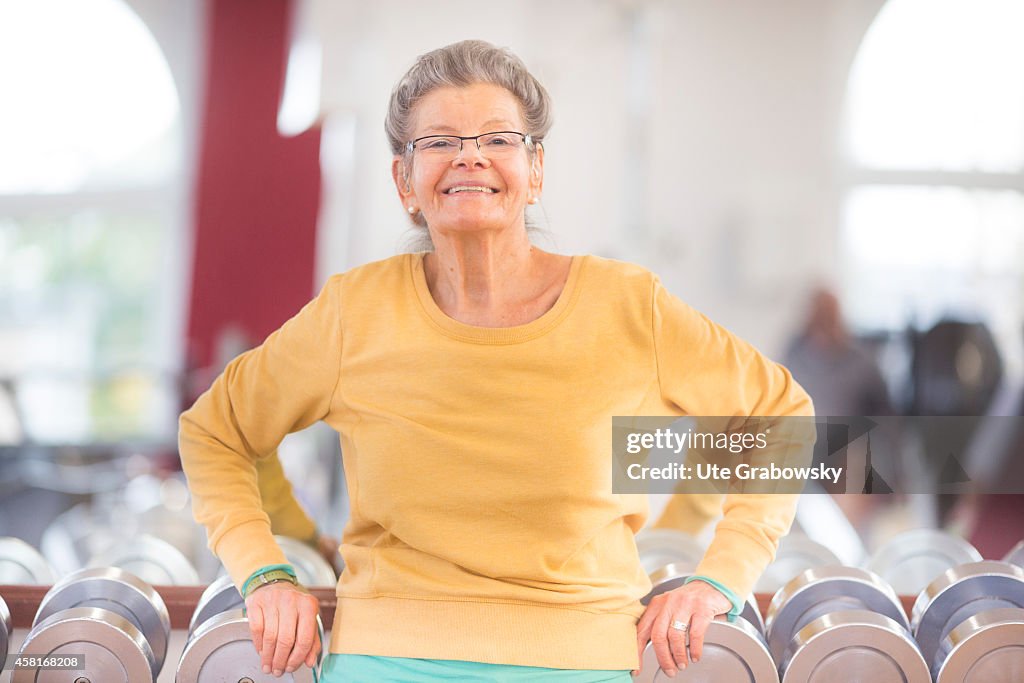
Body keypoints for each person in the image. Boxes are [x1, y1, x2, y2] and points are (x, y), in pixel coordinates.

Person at [179, 40, 813, 681]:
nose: (470, 156)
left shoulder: (628, 305)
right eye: (439, 142)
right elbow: (215, 432)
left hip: (581, 662)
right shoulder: (354, 310)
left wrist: (719, 580)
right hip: (381, 656)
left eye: (499, 139)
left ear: (536, 171)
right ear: (405, 180)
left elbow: (781, 416)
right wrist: (266, 570)